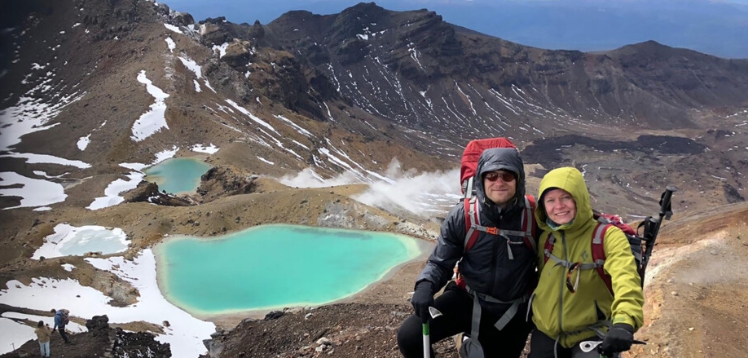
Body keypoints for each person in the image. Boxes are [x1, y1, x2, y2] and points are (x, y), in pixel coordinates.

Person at [397, 147, 537, 358]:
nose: (499, 182)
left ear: (518, 180)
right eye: (491, 175)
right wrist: (426, 284)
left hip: (513, 309)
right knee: (409, 337)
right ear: (481, 179)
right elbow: (440, 261)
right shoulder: (463, 215)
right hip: (467, 299)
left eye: (507, 175)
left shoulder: (535, 216)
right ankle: (468, 338)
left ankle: (469, 343)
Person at [529, 167, 644, 358]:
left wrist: (624, 321)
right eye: (550, 200)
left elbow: (626, 279)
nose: (558, 206)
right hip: (546, 335)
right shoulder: (548, 238)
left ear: (579, 198)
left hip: (592, 335)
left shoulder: (607, 236)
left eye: (566, 197)